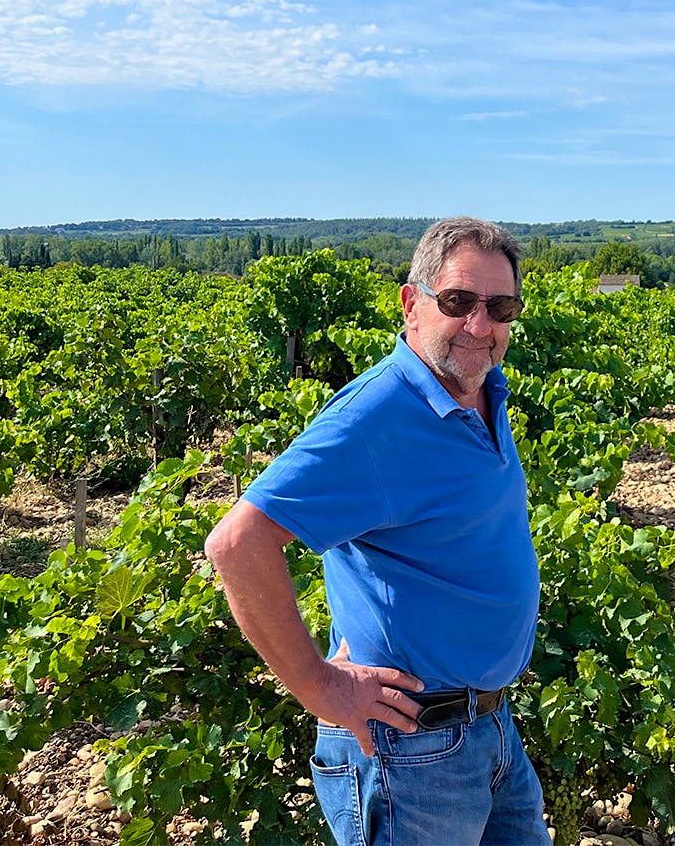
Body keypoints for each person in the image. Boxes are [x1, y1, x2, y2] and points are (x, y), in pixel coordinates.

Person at [204, 217, 550, 845]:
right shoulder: (377, 418)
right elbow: (237, 542)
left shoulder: (483, 393)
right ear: (411, 303)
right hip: (410, 751)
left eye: (500, 306)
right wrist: (318, 685)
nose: (480, 324)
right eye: (458, 302)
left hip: (490, 729)